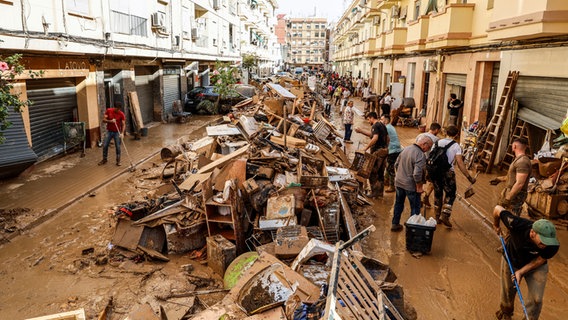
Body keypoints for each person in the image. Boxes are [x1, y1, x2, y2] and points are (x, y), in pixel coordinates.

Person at [493, 205, 560, 320]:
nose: (546, 244)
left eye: (548, 242)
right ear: (533, 233)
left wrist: (521, 272)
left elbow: (541, 259)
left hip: (535, 265)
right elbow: (497, 209)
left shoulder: (552, 245)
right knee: (508, 293)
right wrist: (496, 225)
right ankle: (506, 313)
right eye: (543, 241)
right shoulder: (516, 224)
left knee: (537, 299)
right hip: (512, 259)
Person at [432, 125, 476, 227]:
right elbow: (460, 163)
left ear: (446, 133)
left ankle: (437, 217)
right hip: (448, 173)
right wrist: (469, 177)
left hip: (436, 172)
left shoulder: (437, 142)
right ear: (456, 135)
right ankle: (445, 215)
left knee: (437, 193)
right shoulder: (456, 146)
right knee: (450, 194)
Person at [391, 135, 433, 231]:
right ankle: (412, 229)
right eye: (429, 147)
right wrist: (419, 186)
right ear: (424, 144)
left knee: (398, 204)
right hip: (410, 186)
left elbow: (396, 164)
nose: (428, 149)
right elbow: (417, 174)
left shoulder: (406, 149)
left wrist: (401, 175)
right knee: (415, 208)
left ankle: (395, 223)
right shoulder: (420, 155)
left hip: (399, 182)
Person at [490, 138, 531, 216]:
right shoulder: (518, 160)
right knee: (499, 212)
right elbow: (512, 177)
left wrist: (508, 198)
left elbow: (520, 183)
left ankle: (501, 227)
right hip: (510, 191)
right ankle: (497, 227)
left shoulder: (522, 162)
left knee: (511, 218)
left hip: (516, 195)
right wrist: (499, 179)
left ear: (514, 146)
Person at [355, 112, 389, 198]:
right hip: (384, 151)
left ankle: (374, 192)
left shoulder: (375, 126)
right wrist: (361, 131)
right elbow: (386, 138)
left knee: (372, 172)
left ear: (371, 118)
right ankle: (380, 193)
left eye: (368, 119)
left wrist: (365, 148)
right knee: (381, 173)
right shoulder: (382, 125)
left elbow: (375, 138)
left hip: (378, 151)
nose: (368, 121)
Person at [417, 122, 442, 207]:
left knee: (419, 181)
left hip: (418, 161)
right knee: (432, 181)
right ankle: (426, 196)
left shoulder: (420, 136)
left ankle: (419, 199)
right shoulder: (437, 140)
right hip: (429, 164)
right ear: (436, 130)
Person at [381, 114, 403, 193]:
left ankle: (392, 186)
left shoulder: (386, 128)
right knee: (389, 165)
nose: (381, 121)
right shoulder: (391, 127)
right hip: (396, 149)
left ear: (386, 120)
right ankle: (386, 180)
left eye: (382, 119)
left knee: (390, 168)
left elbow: (385, 138)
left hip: (393, 150)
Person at [99, 102, 126, 166]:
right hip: (109, 131)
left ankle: (118, 161)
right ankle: (104, 159)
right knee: (105, 145)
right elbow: (103, 120)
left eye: (119, 109)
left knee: (118, 147)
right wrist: (110, 121)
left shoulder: (121, 114)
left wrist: (122, 133)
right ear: (114, 107)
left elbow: (123, 124)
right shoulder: (109, 111)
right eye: (117, 109)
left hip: (117, 132)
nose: (118, 110)